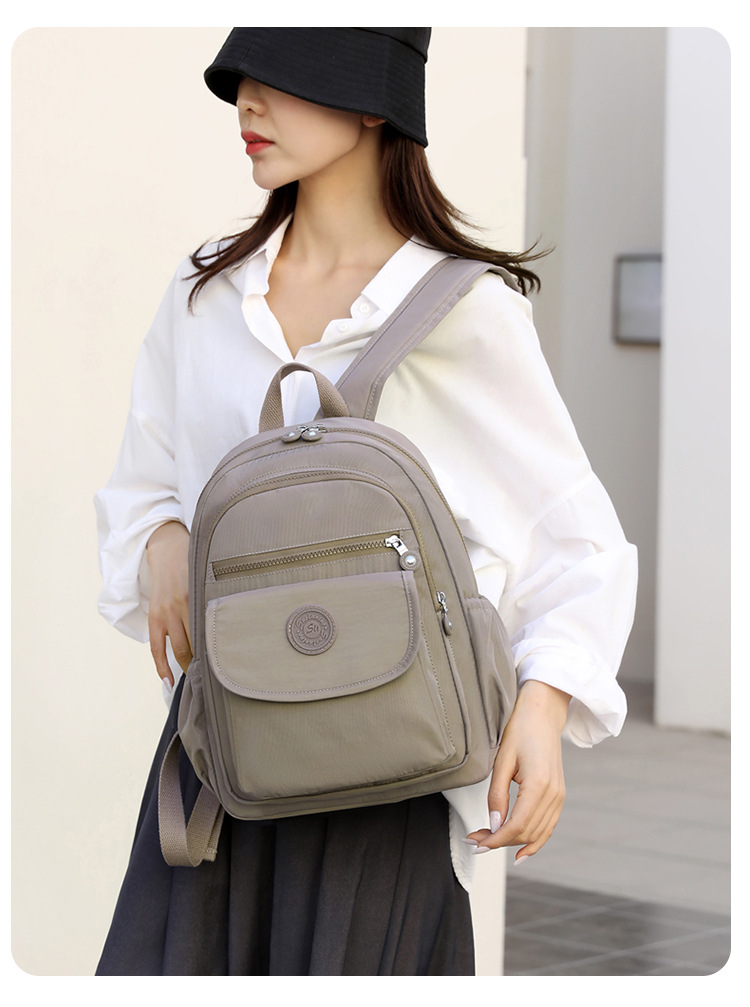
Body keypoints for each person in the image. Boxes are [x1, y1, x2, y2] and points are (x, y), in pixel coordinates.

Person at [94, 27, 637, 976]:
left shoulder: (464, 311)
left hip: (384, 793)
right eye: (243, 80)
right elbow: (141, 483)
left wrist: (545, 707)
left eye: (284, 78)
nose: (247, 103)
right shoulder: (206, 291)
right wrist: (164, 537)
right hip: (220, 776)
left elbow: (578, 540)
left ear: (373, 102)